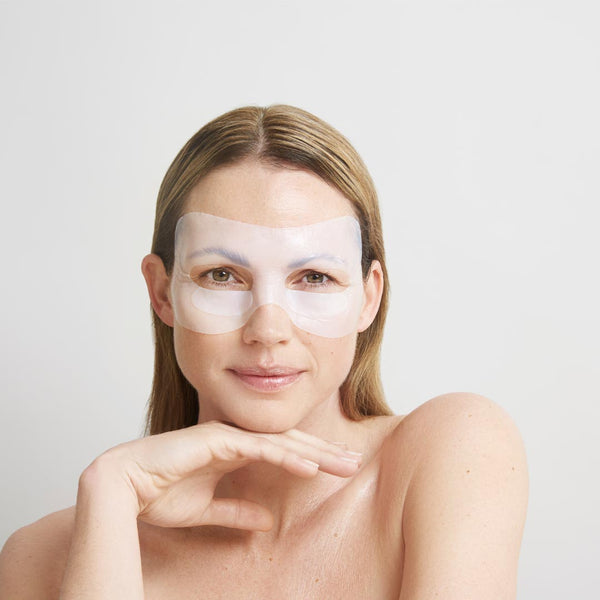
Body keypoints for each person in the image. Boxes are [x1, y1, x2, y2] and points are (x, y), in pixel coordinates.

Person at [0, 105, 528, 599]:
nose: (267, 329)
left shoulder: (451, 451)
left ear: (368, 297)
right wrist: (111, 495)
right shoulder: (43, 559)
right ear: (162, 292)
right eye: (222, 275)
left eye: (315, 277)